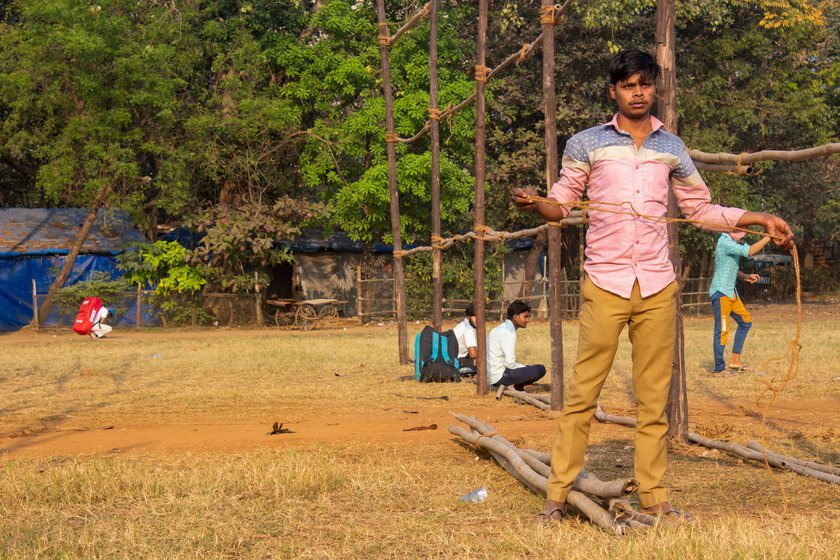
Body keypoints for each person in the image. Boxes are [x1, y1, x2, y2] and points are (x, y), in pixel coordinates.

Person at [513, 49, 793, 523]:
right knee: (582, 393)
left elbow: (701, 210)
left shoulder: (673, 148)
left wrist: (758, 216)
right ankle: (556, 497)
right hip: (605, 281)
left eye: (645, 84)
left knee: (652, 397)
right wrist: (537, 204)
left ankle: (654, 497)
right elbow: (562, 203)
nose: (638, 92)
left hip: (657, 286)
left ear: (654, 88)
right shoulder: (586, 144)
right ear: (613, 92)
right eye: (628, 85)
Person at [709, 232, 770, 374]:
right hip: (721, 293)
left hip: (731, 292)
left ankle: (735, 360)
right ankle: (719, 368)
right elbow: (749, 251)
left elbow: (730, 268)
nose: (744, 232)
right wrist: (769, 237)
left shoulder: (732, 244)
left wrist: (745, 276)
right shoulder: (724, 241)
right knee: (722, 330)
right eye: (742, 228)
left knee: (745, 322)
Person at [486, 299, 546, 392]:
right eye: (525, 317)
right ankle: (519, 386)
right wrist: (525, 369)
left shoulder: (501, 328)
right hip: (499, 377)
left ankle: (521, 383)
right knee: (540, 369)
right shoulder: (509, 331)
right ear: (515, 317)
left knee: (527, 368)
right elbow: (510, 364)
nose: (528, 320)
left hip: (491, 375)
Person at [452, 304, 478, 375]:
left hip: (454, 358)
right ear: (468, 316)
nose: (478, 319)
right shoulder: (468, 329)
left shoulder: (463, 324)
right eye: (475, 316)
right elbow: (473, 354)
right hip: (457, 361)